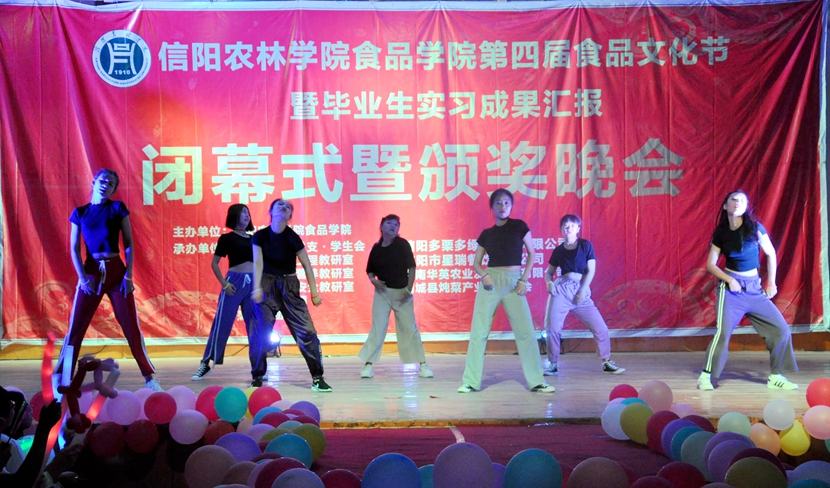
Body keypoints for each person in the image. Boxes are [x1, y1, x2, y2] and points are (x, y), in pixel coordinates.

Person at [56, 169, 161, 392]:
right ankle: (63, 381)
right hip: (91, 273)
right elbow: (74, 248)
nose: (106, 185)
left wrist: (128, 275)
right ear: (94, 182)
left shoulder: (117, 208)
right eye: (103, 181)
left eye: (111, 184)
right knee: (76, 328)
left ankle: (150, 378)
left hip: (116, 273)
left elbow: (129, 243)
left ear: (114, 189)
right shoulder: (80, 212)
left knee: (131, 327)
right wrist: (83, 279)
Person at [698, 190, 798, 390]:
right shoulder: (721, 233)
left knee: (781, 330)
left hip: (754, 288)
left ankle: (776, 376)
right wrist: (729, 280)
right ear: (725, 205)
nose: (738, 203)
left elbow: (771, 254)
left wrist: (771, 282)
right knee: (723, 333)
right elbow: (711, 264)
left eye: (742, 200)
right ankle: (706, 376)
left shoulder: (755, 228)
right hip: (731, 290)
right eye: (733, 199)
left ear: (746, 207)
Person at [458, 189, 554, 393]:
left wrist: (523, 280)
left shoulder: (519, 227)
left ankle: (537, 381)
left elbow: (532, 253)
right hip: (491, 282)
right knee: (479, 332)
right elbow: (476, 263)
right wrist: (485, 276)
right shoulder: (486, 234)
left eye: (506, 203)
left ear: (511, 206)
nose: (502, 206)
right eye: (498, 203)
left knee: (526, 332)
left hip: (513, 282)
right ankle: (470, 381)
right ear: (492, 207)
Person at [251, 199, 332, 392]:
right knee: (260, 332)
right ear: (271, 211)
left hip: (289, 285)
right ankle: (257, 376)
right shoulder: (260, 236)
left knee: (307, 332)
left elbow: (307, 265)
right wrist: (256, 288)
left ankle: (318, 378)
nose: (284, 207)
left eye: (288, 207)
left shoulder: (292, 237)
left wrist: (314, 292)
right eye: (279, 205)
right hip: (266, 285)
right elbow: (257, 264)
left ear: (289, 216)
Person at [542, 215, 624, 376]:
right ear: (561, 229)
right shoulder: (558, 250)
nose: (569, 228)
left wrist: (582, 291)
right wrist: (549, 283)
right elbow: (548, 273)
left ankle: (606, 362)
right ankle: (553, 364)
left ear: (578, 228)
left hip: (581, 288)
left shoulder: (585, 245)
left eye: (572, 225)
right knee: (553, 328)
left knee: (601, 328)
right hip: (562, 290)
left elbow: (591, 270)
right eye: (565, 226)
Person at [359, 215, 433, 379]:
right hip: (382, 294)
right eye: (389, 223)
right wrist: (373, 280)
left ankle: (423, 365)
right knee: (378, 329)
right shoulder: (376, 248)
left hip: (402, 294)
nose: (393, 226)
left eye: (396, 224)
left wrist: (408, 289)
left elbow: (412, 268)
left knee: (409, 329)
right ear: (381, 227)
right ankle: (368, 365)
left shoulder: (402, 245)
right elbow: (370, 270)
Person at [192, 204, 258, 381]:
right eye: (243, 212)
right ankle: (206, 363)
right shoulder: (227, 238)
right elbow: (214, 263)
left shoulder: (254, 238)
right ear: (234, 215)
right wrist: (224, 284)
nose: (247, 215)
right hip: (233, 283)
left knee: (255, 327)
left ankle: (258, 369)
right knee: (221, 324)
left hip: (253, 284)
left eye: (248, 213)